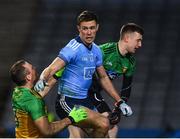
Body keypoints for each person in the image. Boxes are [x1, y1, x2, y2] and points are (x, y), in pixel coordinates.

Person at [34, 10, 132, 138]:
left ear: (97, 28)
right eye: (85, 28)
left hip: (85, 101)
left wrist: (119, 101)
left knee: (106, 131)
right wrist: (42, 79)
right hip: (67, 102)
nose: (89, 32)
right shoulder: (72, 49)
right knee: (103, 123)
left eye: (92, 28)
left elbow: (103, 77)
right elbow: (51, 68)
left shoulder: (96, 50)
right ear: (78, 29)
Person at [88, 22, 144, 137]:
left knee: (112, 128)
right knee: (104, 125)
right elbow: (87, 78)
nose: (140, 45)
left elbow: (126, 88)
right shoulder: (103, 51)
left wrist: (117, 110)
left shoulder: (130, 62)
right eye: (138, 40)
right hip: (80, 94)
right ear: (127, 38)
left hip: (94, 94)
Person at [10, 60, 88, 138]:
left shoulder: (18, 92)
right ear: (28, 77)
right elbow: (47, 130)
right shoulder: (33, 101)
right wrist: (70, 119)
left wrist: (55, 76)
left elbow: (38, 94)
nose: (35, 68)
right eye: (32, 68)